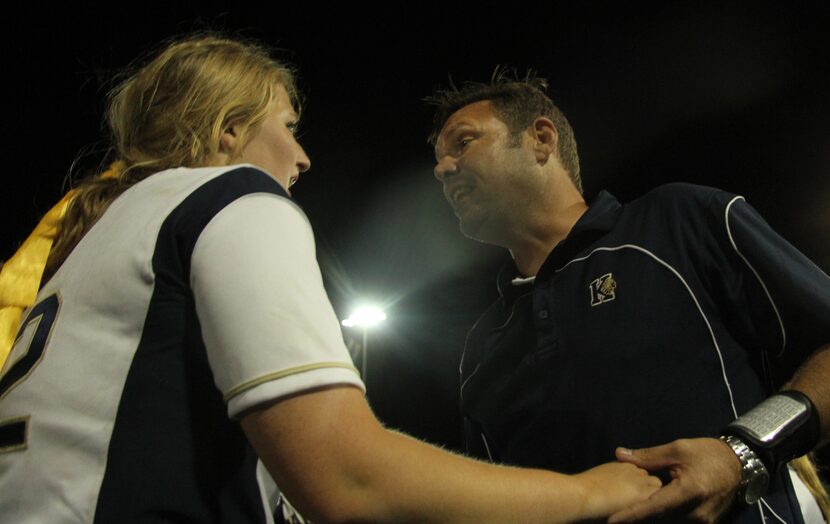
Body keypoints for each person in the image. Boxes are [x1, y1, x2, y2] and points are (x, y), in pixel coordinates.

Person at [0, 35, 661, 523]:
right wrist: (588, 492)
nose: (302, 156)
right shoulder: (229, 198)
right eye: (287, 127)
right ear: (228, 131)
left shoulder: (94, 230)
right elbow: (346, 478)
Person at [428, 72, 830, 523]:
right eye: (439, 162)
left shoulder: (680, 222)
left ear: (541, 139)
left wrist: (743, 452)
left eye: (463, 143)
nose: (443, 170)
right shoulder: (481, 350)